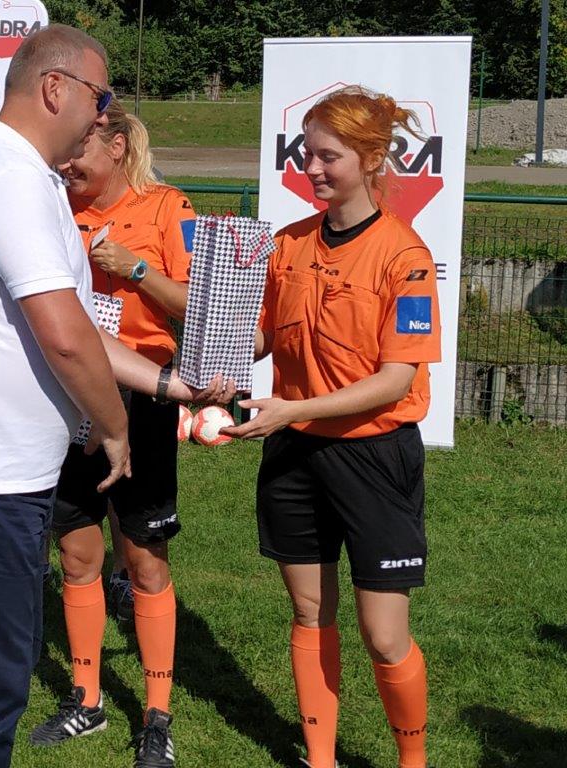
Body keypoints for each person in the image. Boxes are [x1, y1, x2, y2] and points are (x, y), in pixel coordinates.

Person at [0, 24, 229, 768]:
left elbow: (83, 330)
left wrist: (172, 385)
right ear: (55, 89)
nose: (104, 113)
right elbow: (69, 340)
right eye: (99, 96)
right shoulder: (9, 179)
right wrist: (115, 427)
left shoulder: (29, 178)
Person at [223, 86, 441, 768]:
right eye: (305, 153)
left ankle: (412, 762)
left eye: (328, 156)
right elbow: (263, 335)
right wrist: (213, 363)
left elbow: (396, 379)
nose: (310, 168)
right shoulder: (287, 244)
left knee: (384, 635)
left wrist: (294, 410)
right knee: (310, 612)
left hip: (373, 457)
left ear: (372, 159)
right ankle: (320, 760)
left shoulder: (405, 256)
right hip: (294, 455)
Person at [29, 98, 195, 768]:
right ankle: (88, 700)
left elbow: (200, 307)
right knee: (76, 554)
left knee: (146, 559)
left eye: (80, 150)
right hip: (69, 393)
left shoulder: (168, 208)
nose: (67, 163)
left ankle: (157, 716)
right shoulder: (52, 209)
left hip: (145, 394)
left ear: (117, 145)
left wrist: (136, 270)